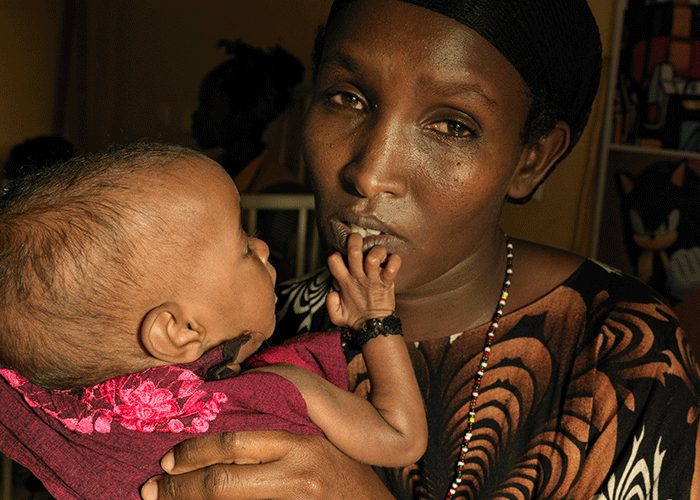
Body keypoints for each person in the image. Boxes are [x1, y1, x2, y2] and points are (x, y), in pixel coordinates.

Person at [141, 1, 700, 499]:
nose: (370, 173)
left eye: (452, 126)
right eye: (347, 97)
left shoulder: (623, 356)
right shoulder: (241, 329)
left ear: (532, 158)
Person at [0, 143, 427, 499]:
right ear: (180, 330)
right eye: (242, 246)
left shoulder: (60, 422)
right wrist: (376, 319)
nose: (262, 247)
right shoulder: (274, 394)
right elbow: (401, 436)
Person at [192, 40, 307, 280]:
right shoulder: (210, 172)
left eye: (207, 105)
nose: (196, 115)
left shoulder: (282, 194)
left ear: (241, 115)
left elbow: (261, 278)